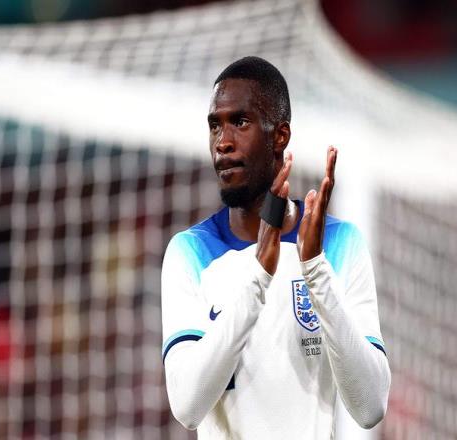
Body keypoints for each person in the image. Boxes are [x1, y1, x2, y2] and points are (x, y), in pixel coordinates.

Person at [161, 56, 390, 439]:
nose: (223, 142)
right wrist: (258, 279)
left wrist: (316, 270)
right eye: (215, 125)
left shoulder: (338, 244)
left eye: (240, 122)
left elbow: (370, 408)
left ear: (280, 136)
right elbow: (187, 406)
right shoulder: (189, 252)